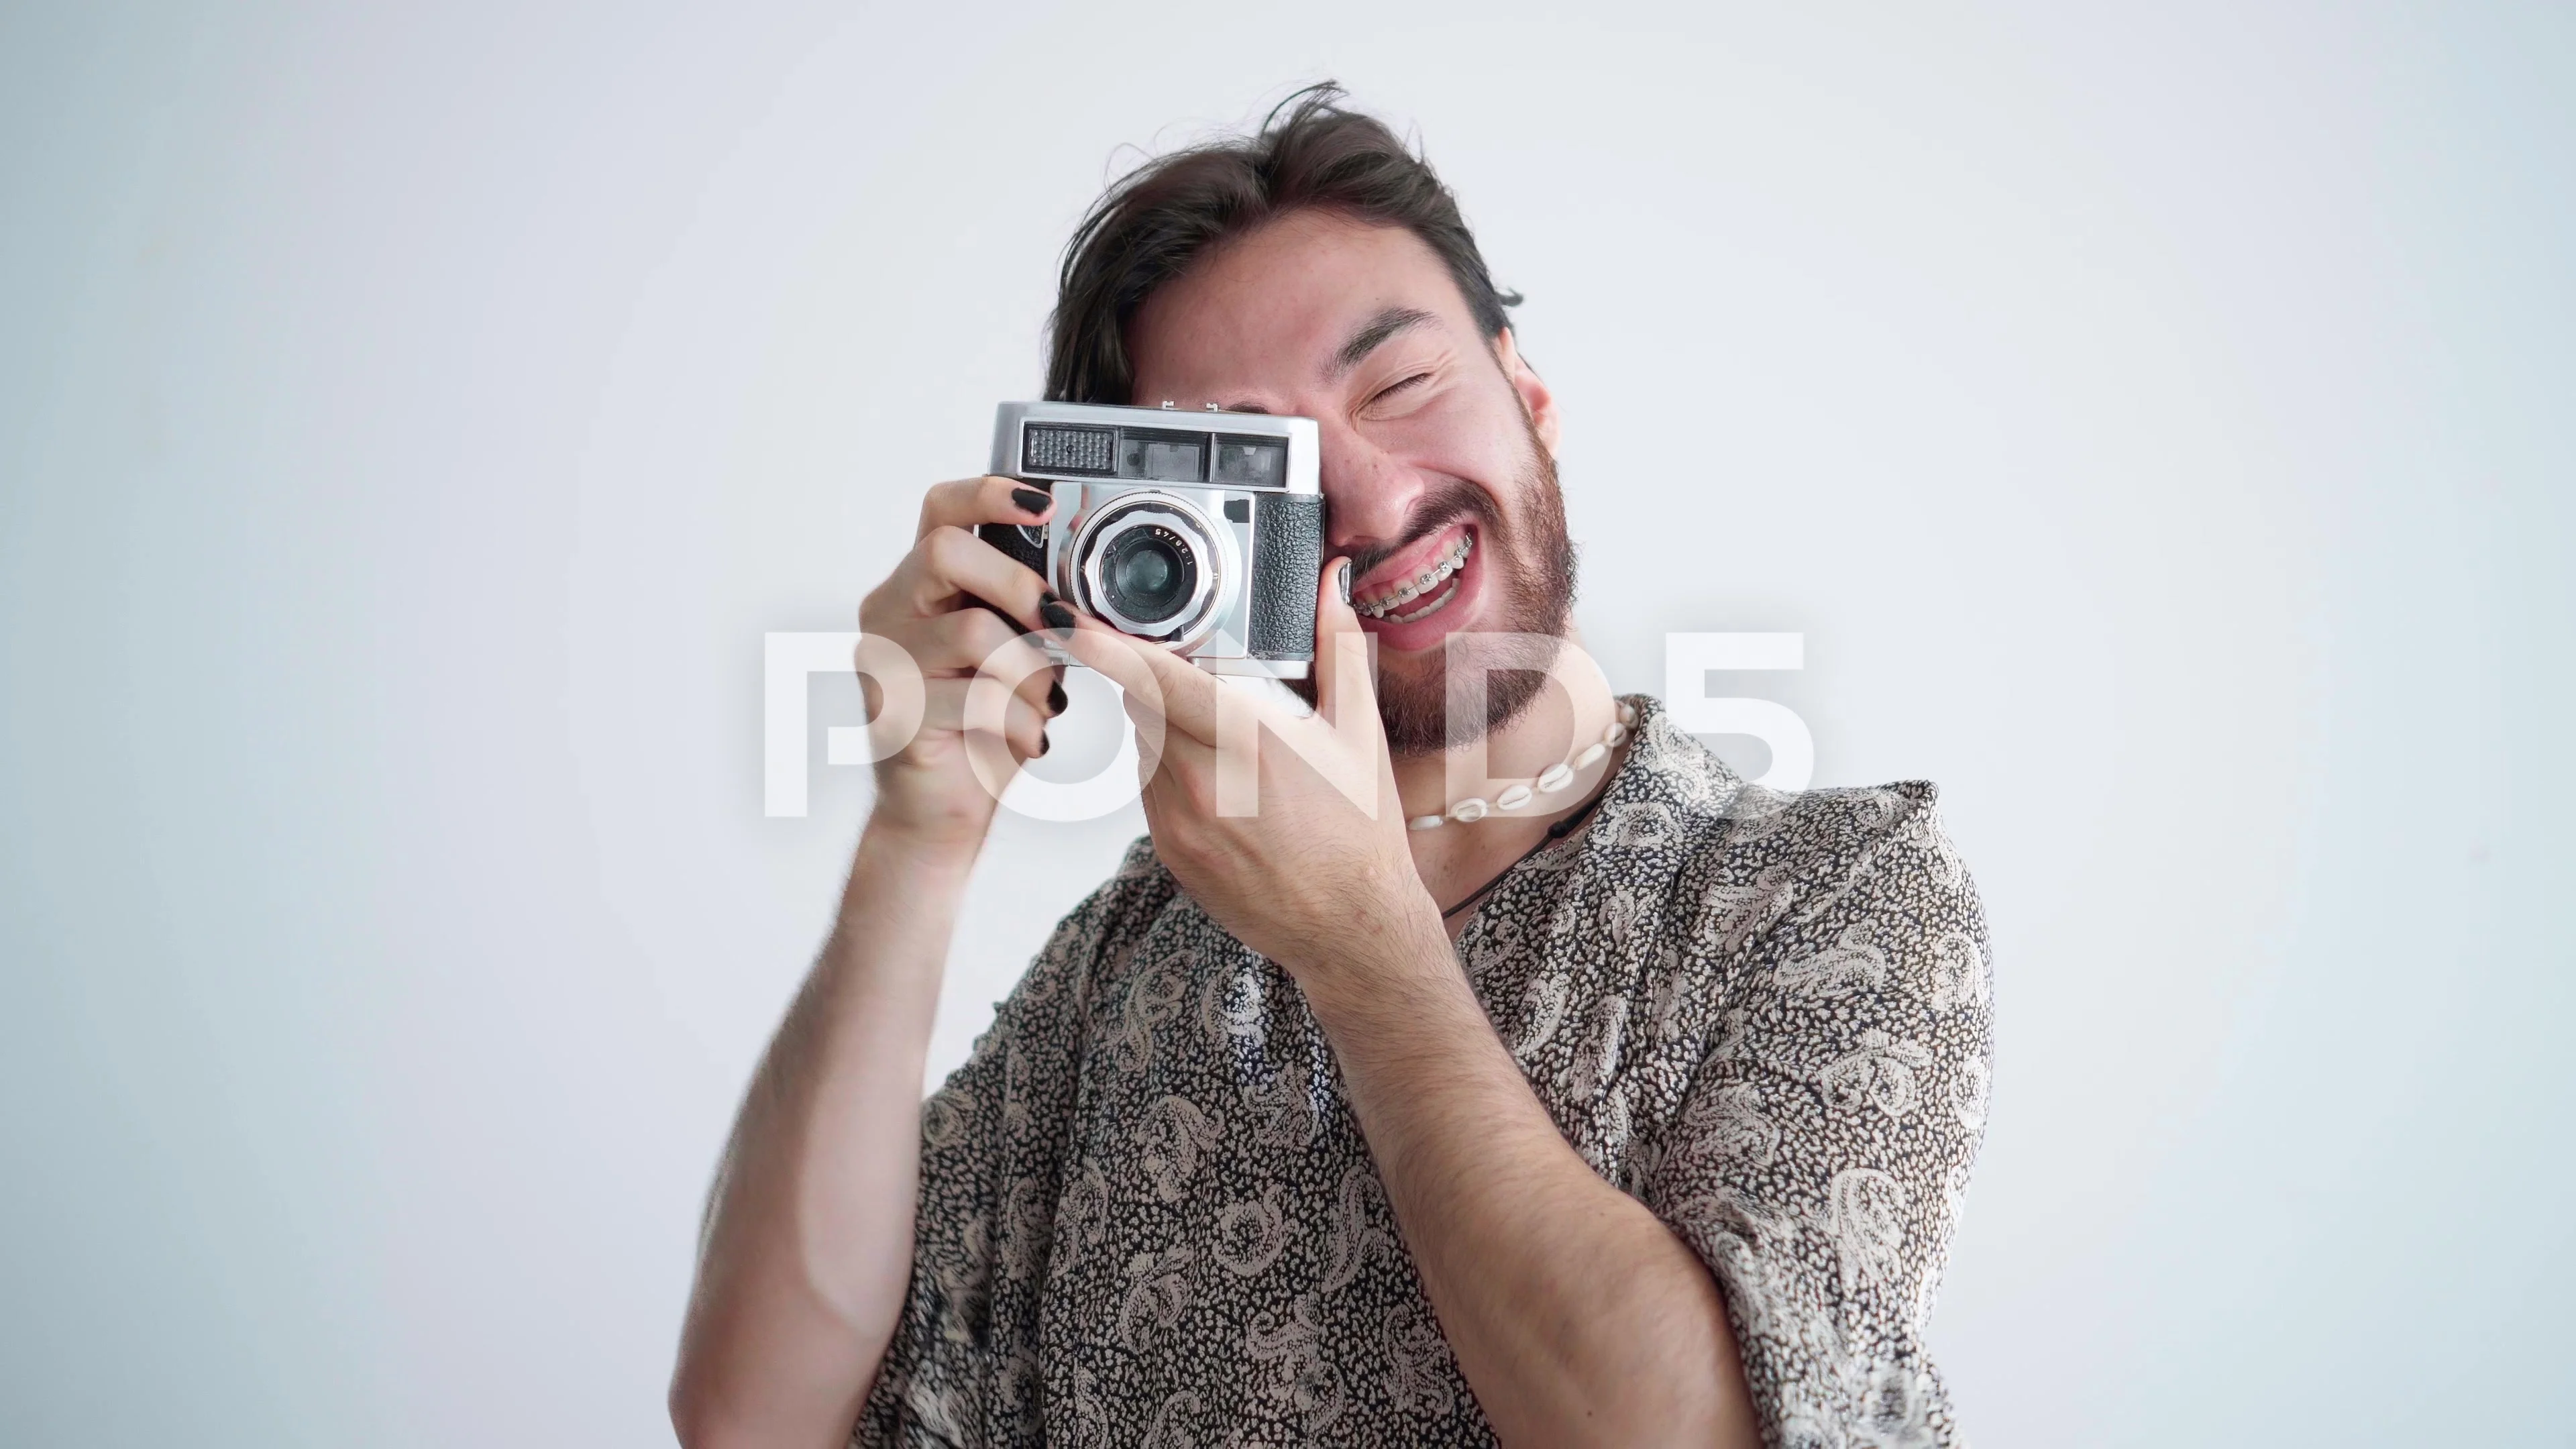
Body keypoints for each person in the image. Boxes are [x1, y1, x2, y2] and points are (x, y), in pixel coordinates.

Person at [670, 85, 1993, 1449]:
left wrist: (1366, 947)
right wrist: (915, 840)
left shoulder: (1823, 894)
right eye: (1265, 469)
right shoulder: (1132, 962)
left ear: (1527, 393)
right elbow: (752, 1419)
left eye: (1403, 385)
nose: (1366, 497)